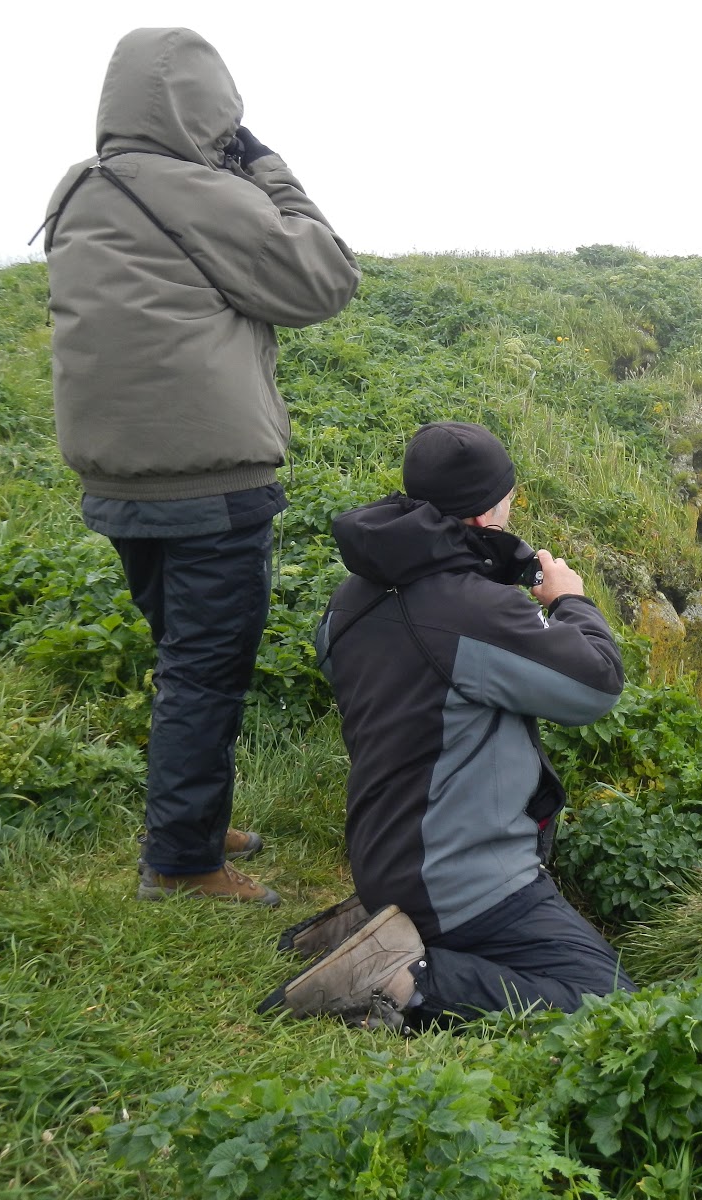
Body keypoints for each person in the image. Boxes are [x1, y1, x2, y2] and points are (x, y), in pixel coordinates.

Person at [41, 28, 361, 905]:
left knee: (182, 656)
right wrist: (269, 171)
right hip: (208, 480)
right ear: (209, 108)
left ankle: (192, 818)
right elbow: (324, 278)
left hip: (117, 481)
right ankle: (183, 867)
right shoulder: (200, 193)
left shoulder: (80, 192)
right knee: (206, 669)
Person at [259, 421, 633, 1029]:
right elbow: (595, 686)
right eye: (509, 495)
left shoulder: (350, 595)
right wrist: (571, 602)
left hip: (388, 850)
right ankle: (404, 979)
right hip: (464, 881)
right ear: (487, 514)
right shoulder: (471, 609)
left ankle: (384, 919)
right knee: (608, 1002)